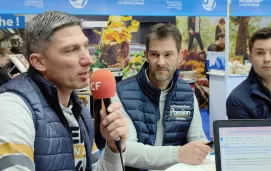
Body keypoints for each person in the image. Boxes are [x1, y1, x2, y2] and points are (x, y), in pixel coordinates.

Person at [0, 10, 128, 171]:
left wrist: (113, 148)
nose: (88, 59)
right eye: (71, 50)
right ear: (39, 62)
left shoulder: (78, 109)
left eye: (85, 46)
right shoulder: (12, 107)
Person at [112, 23, 213, 171]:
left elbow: (197, 140)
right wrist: (178, 154)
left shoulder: (187, 94)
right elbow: (127, 151)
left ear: (179, 56)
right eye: (154, 54)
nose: (160, 62)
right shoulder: (122, 93)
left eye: (168, 55)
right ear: (146, 55)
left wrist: (203, 148)